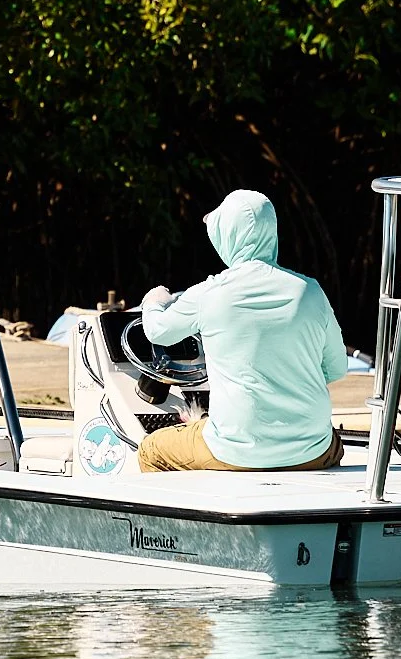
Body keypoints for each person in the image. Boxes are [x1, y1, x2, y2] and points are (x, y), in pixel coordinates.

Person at [136, 189, 348, 472]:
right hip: (313, 450)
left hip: (235, 451)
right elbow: (337, 369)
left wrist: (153, 301)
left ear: (226, 236)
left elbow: (156, 332)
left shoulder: (209, 294)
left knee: (150, 450)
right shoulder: (310, 292)